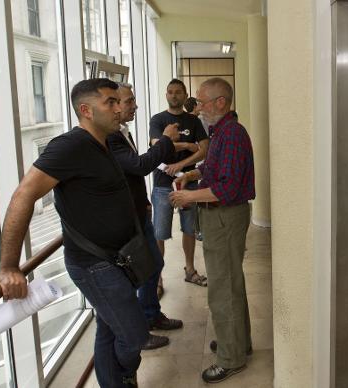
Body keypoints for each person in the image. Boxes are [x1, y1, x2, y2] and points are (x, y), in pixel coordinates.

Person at [0, 78, 147, 387]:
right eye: (111, 102)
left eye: (119, 102)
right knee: (134, 336)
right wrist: (10, 266)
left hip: (119, 259)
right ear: (86, 110)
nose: (120, 108)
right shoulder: (70, 146)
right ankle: (123, 374)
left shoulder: (104, 143)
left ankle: (113, 382)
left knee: (110, 329)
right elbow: (22, 196)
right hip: (95, 264)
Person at [170, 77, 255, 384]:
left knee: (222, 289)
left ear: (221, 102)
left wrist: (188, 196)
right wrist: (193, 172)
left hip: (225, 217)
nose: (199, 108)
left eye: (203, 102)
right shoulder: (222, 132)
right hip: (221, 218)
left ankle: (231, 358)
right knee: (231, 282)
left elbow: (227, 187)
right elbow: (213, 168)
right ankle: (238, 342)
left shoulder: (231, 134)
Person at [106, 83, 184, 350]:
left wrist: (143, 202)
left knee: (154, 265)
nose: (134, 105)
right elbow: (139, 166)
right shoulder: (111, 137)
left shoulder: (120, 132)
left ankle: (150, 315)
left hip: (138, 211)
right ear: (114, 104)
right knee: (140, 272)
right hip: (127, 220)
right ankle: (142, 327)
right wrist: (167, 140)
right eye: (129, 101)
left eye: (133, 100)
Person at [149, 79, 209, 288]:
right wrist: (189, 146)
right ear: (166, 95)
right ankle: (157, 278)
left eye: (178, 92)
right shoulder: (157, 120)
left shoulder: (194, 122)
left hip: (189, 182)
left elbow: (204, 149)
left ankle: (190, 270)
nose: (174, 95)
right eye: (170, 92)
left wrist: (181, 158)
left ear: (185, 96)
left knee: (189, 228)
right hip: (162, 184)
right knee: (160, 233)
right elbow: (158, 146)